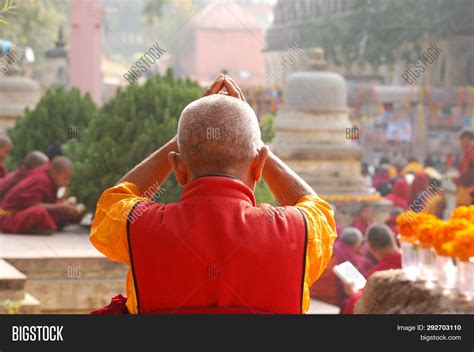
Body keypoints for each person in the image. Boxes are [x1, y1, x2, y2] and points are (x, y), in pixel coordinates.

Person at [90, 75, 337, 314]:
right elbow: (319, 211)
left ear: (177, 168)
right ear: (259, 165)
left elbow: (110, 208)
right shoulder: (297, 230)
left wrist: (182, 140)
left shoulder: (141, 225)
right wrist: (256, 144)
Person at [0, 156, 78, 234]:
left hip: (22, 212)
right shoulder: (41, 179)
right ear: (54, 174)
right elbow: (32, 205)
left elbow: (48, 201)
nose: (67, 182)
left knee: (62, 212)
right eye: (65, 178)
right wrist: (60, 207)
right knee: (40, 212)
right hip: (8, 215)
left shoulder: (51, 179)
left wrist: (64, 204)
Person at [341, 224, 401, 314]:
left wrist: (354, 292)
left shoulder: (377, 275)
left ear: (370, 247)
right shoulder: (413, 259)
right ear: (393, 238)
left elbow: (363, 302)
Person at [455, 127, 474, 206]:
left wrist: (459, 178)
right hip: (464, 190)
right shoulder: (466, 154)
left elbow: (468, 174)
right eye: (460, 140)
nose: (461, 142)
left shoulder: (471, 153)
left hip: (469, 191)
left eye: (463, 139)